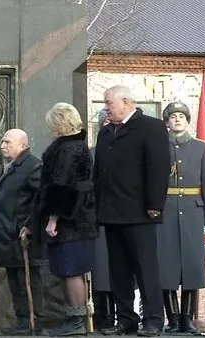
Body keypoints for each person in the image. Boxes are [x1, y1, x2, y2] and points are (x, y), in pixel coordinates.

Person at [94, 85, 170, 336]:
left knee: (145, 267)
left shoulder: (151, 127)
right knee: (118, 269)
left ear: (126, 102)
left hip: (139, 211)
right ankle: (126, 318)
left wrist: (155, 204)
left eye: (109, 103)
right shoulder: (105, 132)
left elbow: (158, 167)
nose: (106, 107)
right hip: (111, 211)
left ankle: (153, 319)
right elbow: (100, 171)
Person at [35, 103, 96, 336]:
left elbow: (61, 187)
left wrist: (53, 219)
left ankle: (76, 321)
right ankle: (73, 318)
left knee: (71, 270)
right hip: (79, 219)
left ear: (60, 123)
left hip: (70, 221)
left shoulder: (67, 149)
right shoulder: (76, 147)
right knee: (67, 270)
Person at [157, 102, 205, 334]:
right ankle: (172, 319)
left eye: (182, 116)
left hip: (193, 212)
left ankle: (187, 319)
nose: (178, 120)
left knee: (191, 266)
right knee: (166, 266)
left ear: (188, 120)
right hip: (166, 211)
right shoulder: (159, 147)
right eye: (173, 117)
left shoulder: (200, 148)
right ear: (167, 121)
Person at [0, 128, 44, 335]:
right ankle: (22, 321)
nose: (2, 145)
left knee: (29, 280)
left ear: (22, 145)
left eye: (7, 142)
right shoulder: (11, 166)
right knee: (15, 280)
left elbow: (40, 199)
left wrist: (29, 224)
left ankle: (34, 322)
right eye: (2, 141)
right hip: (7, 234)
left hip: (22, 235)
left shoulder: (32, 166)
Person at [89, 110, 116, 330]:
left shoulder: (129, 151)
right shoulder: (90, 153)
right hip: (97, 218)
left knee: (121, 268)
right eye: (105, 123)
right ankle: (103, 316)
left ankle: (124, 315)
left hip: (123, 215)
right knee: (100, 269)